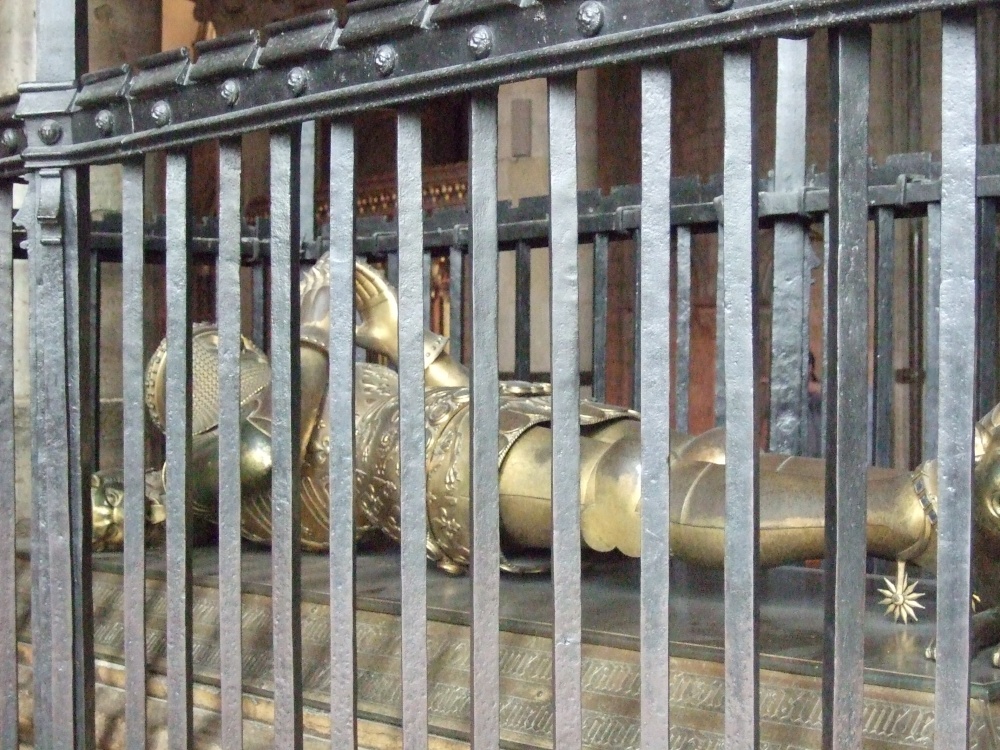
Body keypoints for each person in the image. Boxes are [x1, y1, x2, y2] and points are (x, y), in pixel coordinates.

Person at [91, 254, 1000, 654]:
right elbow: (259, 457)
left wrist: (410, 345)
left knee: (693, 457)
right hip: (453, 478)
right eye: (210, 366)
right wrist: (321, 337)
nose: (229, 359)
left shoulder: (307, 380)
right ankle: (917, 521)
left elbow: (436, 395)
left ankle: (924, 496)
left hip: (491, 422)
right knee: (645, 489)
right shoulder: (215, 468)